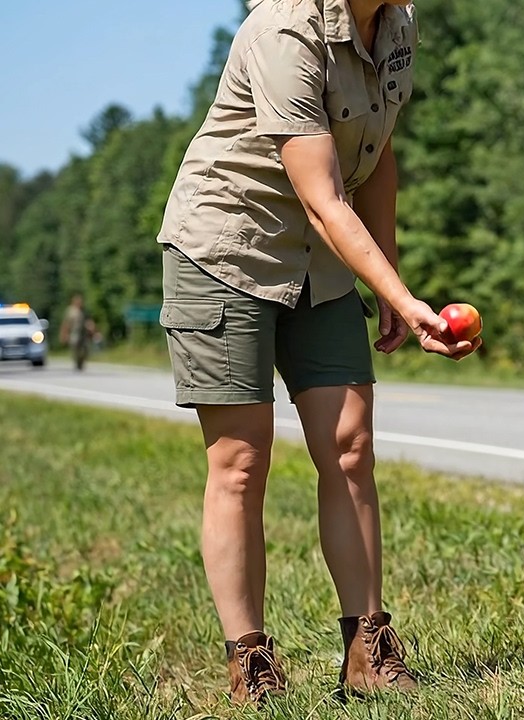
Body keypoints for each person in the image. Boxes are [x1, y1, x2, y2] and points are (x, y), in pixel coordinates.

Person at [155, 0, 479, 704]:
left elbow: (378, 151)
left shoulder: (397, 24)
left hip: (321, 263)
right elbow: (325, 198)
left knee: (350, 445)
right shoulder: (283, 31)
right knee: (240, 462)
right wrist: (398, 296)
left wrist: (390, 272)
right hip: (226, 248)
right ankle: (250, 662)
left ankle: (368, 648)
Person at [59, 293, 96, 371]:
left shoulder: (84, 311)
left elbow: (89, 321)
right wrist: (64, 334)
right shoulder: (70, 311)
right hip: (74, 333)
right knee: (75, 348)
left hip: (83, 333)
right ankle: (77, 362)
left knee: (85, 349)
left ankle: (81, 362)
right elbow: (66, 323)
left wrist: (92, 329)